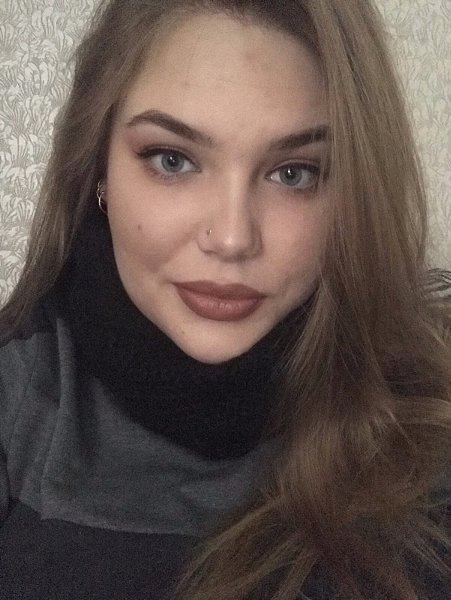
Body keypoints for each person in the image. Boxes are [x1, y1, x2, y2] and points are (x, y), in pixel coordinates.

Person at [0, 0, 449, 598]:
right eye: (173, 160)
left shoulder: (427, 413)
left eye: (294, 173)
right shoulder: (17, 398)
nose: (233, 238)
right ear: (98, 170)